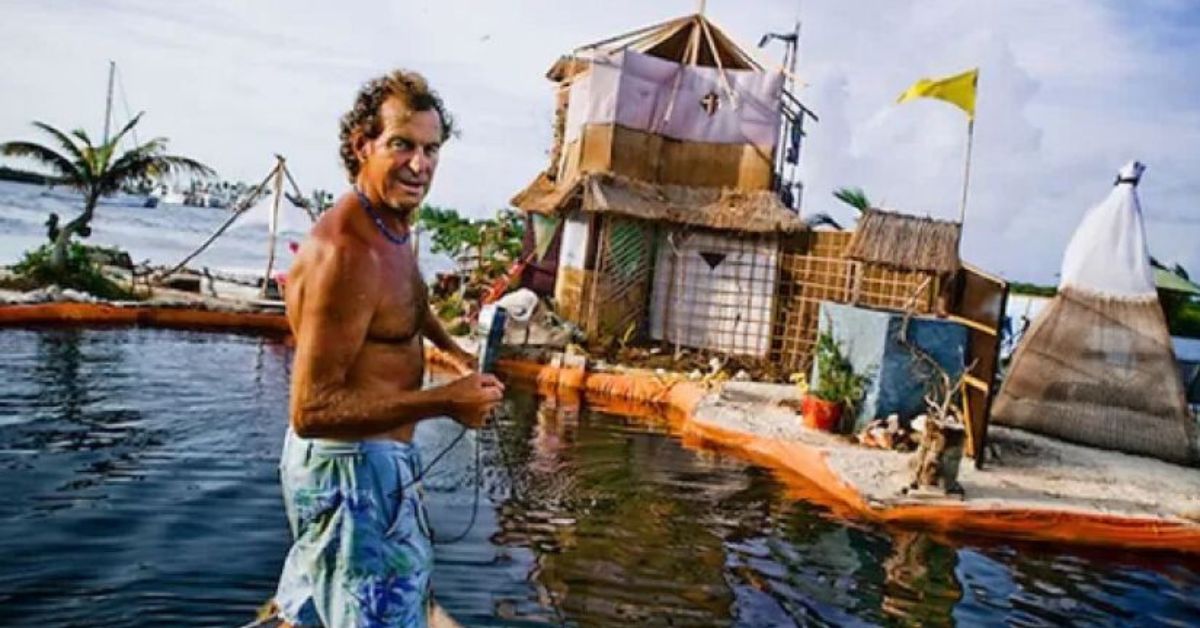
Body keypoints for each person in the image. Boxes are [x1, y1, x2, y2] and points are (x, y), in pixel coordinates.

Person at [272, 69, 503, 627]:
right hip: (352, 472)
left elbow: (409, 301)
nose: (420, 165)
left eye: (431, 149)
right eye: (402, 144)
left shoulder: (393, 228)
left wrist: (454, 350)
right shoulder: (348, 251)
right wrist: (445, 401)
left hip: (374, 465)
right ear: (362, 146)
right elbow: (312, 411)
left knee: (312, 612)